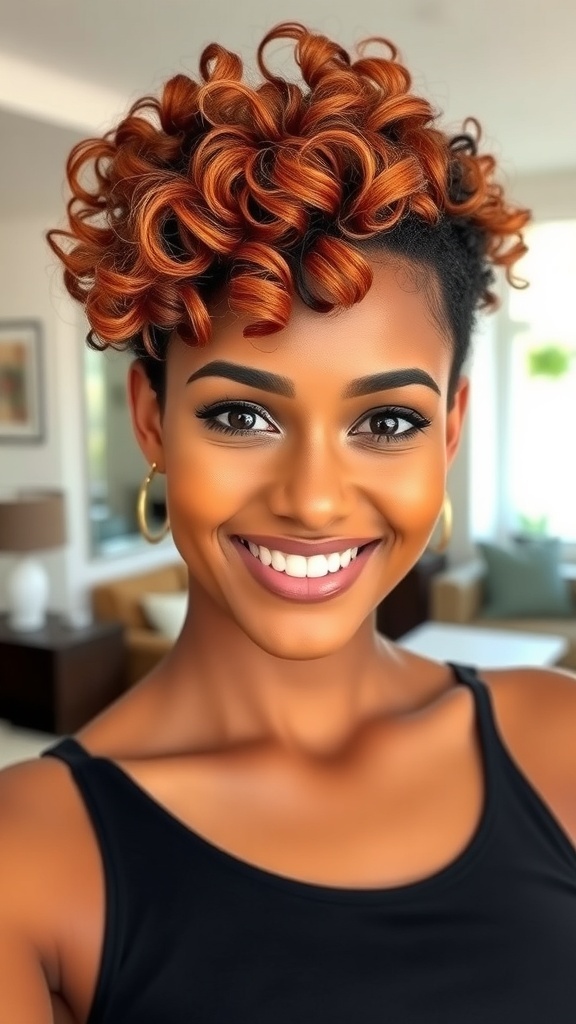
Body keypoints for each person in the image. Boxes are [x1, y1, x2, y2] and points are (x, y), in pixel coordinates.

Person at [1, 20, 575, 1024]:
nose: (313, 499)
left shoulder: (559, 739)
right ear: (152, 421)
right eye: (241, 416)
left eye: (386, 422)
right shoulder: (29, 859)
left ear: (449, 431)